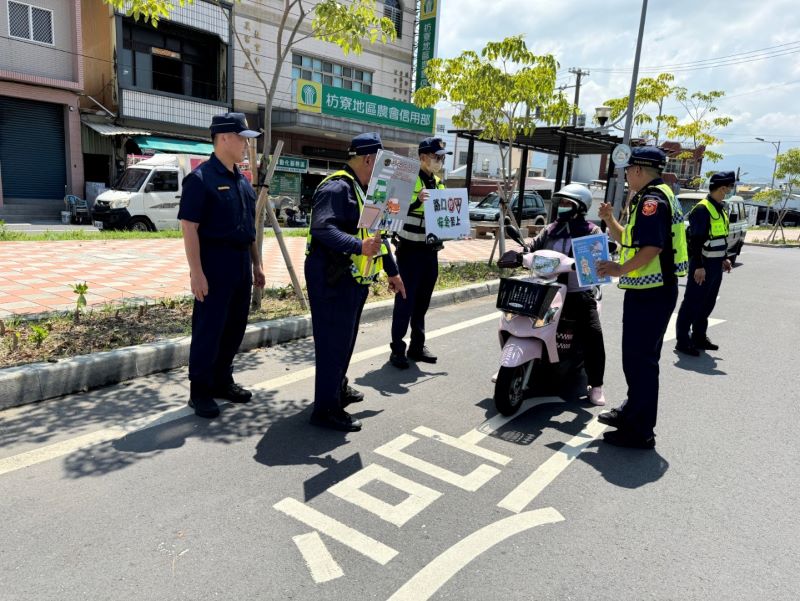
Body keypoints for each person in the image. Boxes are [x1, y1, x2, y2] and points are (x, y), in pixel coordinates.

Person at [305, 132, 407, 432]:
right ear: (368, 160)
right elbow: (323, 228)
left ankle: (338, 388)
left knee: (344, 341)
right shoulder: (338, 188)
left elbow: (379, 238)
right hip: (331, 280)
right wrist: (358, 246)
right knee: (333, 344)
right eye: (382, 161)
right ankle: (325, 410)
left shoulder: (367, 192)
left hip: (353, 280)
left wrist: (392, 271)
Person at [596, 146, 688, 449]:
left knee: (641, 362)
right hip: (648, 291)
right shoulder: (660, 194)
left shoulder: (652, 200)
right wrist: (610, 219)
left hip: (652, 293)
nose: (626, 176)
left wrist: (619, 267)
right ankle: (632, 412)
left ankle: (640, 431)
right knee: (636, 360)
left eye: (627, 170)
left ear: (637, 170)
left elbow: (653, 248)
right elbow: (631, 239)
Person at [178, 112, 266, 419]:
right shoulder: (201, 179)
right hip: (214, 264)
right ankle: (199, 389)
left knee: (234, 327)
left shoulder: (242, 182)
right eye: (242, 138)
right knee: (209, 328)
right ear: (225, 138)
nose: (245, 145)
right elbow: (189, 227)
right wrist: (196, 272)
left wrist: (256, 265)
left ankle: (221, 380)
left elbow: (249, 228)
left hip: (240, 262)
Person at [528, 183, 607, 406]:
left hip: (576, 292)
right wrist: (522, 253)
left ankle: (597, 384)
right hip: (546, 287)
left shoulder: (591, 231)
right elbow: (533, 246)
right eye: (560, 202)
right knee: (518, 316)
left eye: (567, 203)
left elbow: (598, 259)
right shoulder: (551, 228)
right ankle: (511, 363)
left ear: (579, 207)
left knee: (593, 333)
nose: (561, 206)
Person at [389, 136, 452, 369]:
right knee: (405, 301)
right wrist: (416, 201)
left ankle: (417, 346)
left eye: (442, 158)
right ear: (423, 157)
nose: (440, 161)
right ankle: (397, 349)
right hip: (409, 251)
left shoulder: (438, 182)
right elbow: (391, 209)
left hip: (430, 251)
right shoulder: (406, 179)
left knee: (422, 302)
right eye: (437, 157)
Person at [675, 171, 735, 356]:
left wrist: (724, 258)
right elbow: (696, 241)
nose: (731, 190)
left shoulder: (720, 208)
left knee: (707, 302)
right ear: (723, 187)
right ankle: (683, 341)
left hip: (716, 264)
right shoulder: (703, 209)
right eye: (730, 187)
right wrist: (699, 266)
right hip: (702, 264)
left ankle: (699, 337)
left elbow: (719, 237)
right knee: (692, 302)